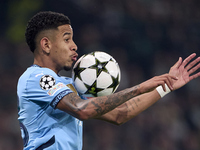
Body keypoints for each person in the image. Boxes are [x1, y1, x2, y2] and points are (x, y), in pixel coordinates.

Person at [17, 11, 200, 150]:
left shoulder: (67, 85)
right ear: (46, 44)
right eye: (67, 39)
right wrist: (139, 88)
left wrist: (164, 87)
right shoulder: (36, 78)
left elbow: (120, 114)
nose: (74, 46)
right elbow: (83, 110)